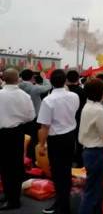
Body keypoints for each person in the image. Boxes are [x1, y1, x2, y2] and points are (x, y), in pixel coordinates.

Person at [37, 69, 80, 214]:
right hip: (70, 137)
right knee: (65, 171)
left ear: (50, 82)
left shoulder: (48, 100)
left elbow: (44, 126)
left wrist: (41, 145)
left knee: (57, 173)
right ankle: (62, 202)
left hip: (56, 139)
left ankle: (62, 206)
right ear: (66, 80)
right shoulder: (74, 96)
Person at [0, 68, 35, 210]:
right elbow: (31, 116)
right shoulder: (24, 96)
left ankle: (12, 199)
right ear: (17, 79)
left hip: (2, 133)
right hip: (17, 132)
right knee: (15, 165)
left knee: (5, 166)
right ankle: (12, 196)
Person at [78, 78, 103, 214]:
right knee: (93, 191)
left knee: (96, 188)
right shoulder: (98, 110)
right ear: (102, 92)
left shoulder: (88, 106)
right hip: (97, 152)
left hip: (89, 151)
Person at [18, 69, 52, 164]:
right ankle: (31, 159)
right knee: (33, 139)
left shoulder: (18, 87)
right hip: (34, 117)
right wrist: (44, 78)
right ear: (32, 78)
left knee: (23, 139)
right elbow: (48, 86)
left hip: (21, 118)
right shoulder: (35, 88)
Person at [67, 70, 87, 168]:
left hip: (66, 120)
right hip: (79, 119)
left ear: (67, 79)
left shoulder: (65, 91)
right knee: (79, 142)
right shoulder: (82, 92)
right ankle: (79, 162)